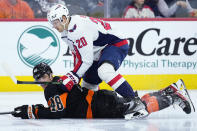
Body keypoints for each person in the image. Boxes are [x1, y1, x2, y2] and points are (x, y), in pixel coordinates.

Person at [47, 4, 144, 111]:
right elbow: (77, 55)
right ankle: (100, 107)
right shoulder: (65, 33)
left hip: (114, 43)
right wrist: (75, 77)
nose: (54, 26)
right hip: (98, 50)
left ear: (64, 18)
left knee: (104, 71)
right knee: (87, 86)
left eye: (55, 22)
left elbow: (86, 61)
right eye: (53, 23)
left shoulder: (78, 29)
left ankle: (134, 100)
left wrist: (73, 76)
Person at [12, 62, 194, 119]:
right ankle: (170, 90)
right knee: (136, 105)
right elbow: (60, 105)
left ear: (50, 75)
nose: (40, 81)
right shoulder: (59, 82)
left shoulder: (51, 89)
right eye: (38, 78)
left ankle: (173, 97)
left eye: (43, 77)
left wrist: (31, 111)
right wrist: (36, 106)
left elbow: (58, 111)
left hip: (100, 106)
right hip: (101, 100)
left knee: (138, 109)